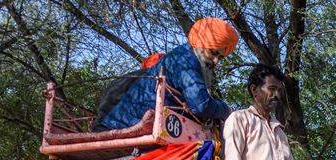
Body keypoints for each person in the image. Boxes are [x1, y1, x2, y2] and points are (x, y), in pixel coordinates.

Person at [94, 18, 238, 131]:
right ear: (199, 43)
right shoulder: (185, 61)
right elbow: (202, 105)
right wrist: (227, 110)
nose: (215, 61)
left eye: (220, 57)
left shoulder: (185, 57)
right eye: (213, 53)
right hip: (126, 124)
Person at [222, 65, 303, 160]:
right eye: (271, 89)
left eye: (279, 90)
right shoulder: (240, 119)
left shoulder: (280, 133)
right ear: (254, 90)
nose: (276, 95)